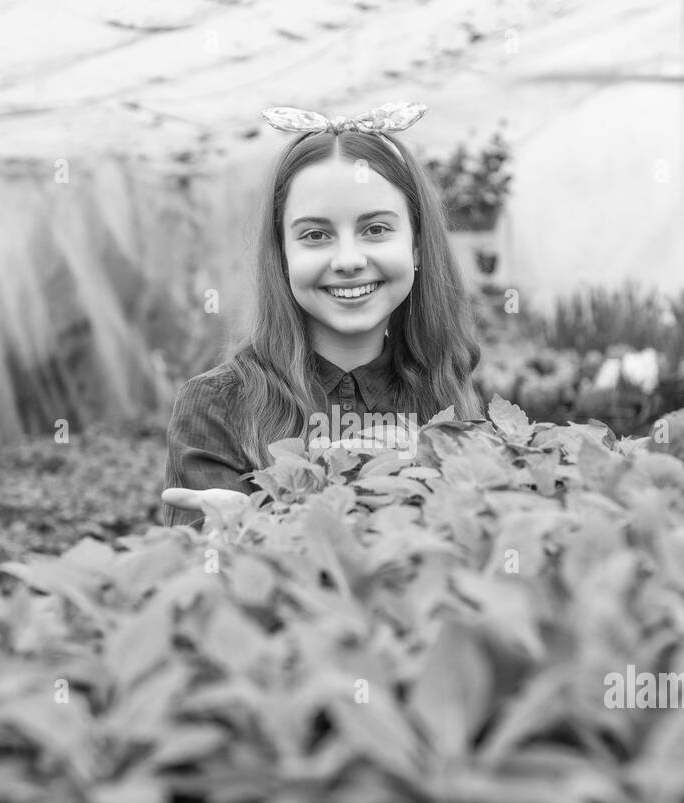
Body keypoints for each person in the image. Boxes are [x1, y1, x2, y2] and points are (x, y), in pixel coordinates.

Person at [160, 102, 483, 530]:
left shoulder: (444, 383)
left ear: (418, 246)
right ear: (282, 256)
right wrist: (239, 540)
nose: (348, 260)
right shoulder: (217, 406)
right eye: (315, 235)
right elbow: (200, 583)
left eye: (376, 229)